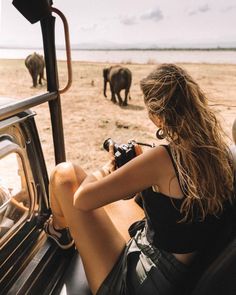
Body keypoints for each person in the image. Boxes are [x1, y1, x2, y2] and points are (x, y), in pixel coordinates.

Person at [44, 63, 235, 295]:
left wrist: (107, 168)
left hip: (140, 283)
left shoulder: (164, 157)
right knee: (118, 201)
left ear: (156, 116)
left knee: (64, 174)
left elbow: (81, 200)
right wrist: (141, 168)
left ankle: (59, 230)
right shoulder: (219, 153)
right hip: (181, 271)